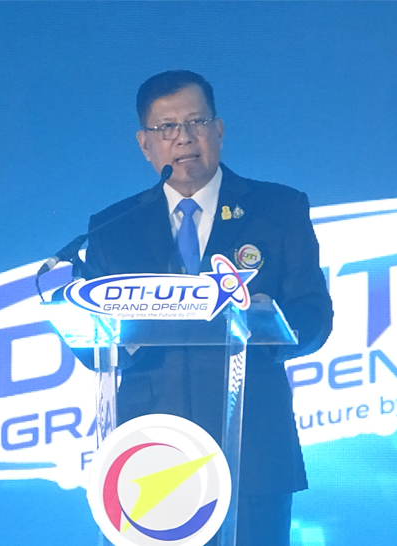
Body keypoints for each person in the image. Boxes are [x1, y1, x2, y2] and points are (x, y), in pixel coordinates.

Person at [83, 70, 333, 546]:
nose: (183, 137)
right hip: (149, 453)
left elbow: (314, 315)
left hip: (253, 446)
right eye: (166, 127)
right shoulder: (112, 228)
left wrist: (268, 325)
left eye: (196, 122)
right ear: (145, 144)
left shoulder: (278, 209)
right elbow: (90, 340)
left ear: (218, 130)